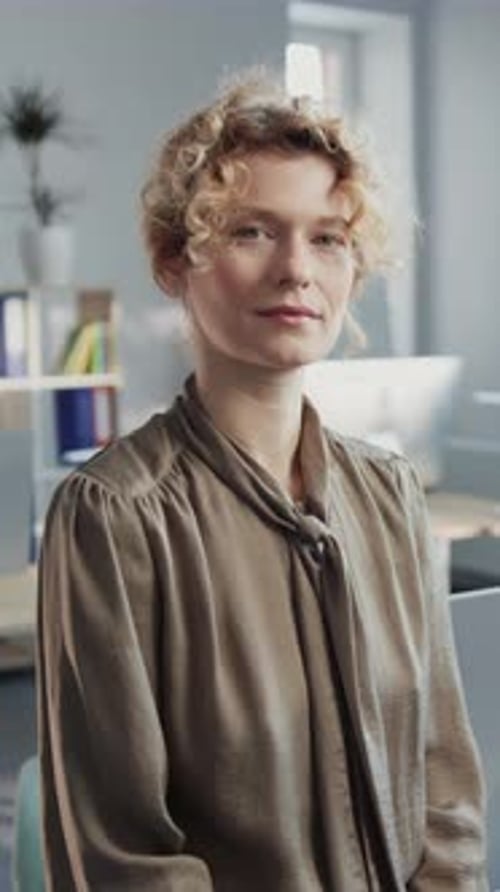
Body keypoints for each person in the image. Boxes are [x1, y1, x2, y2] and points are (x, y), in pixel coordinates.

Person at [37, 73, 488, 891]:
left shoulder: (390, 494)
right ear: (175, 259)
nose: (296, 270)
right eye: (252, 231)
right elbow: (125, 859)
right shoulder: (116, 515)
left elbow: (447, 796)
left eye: (328, 238)